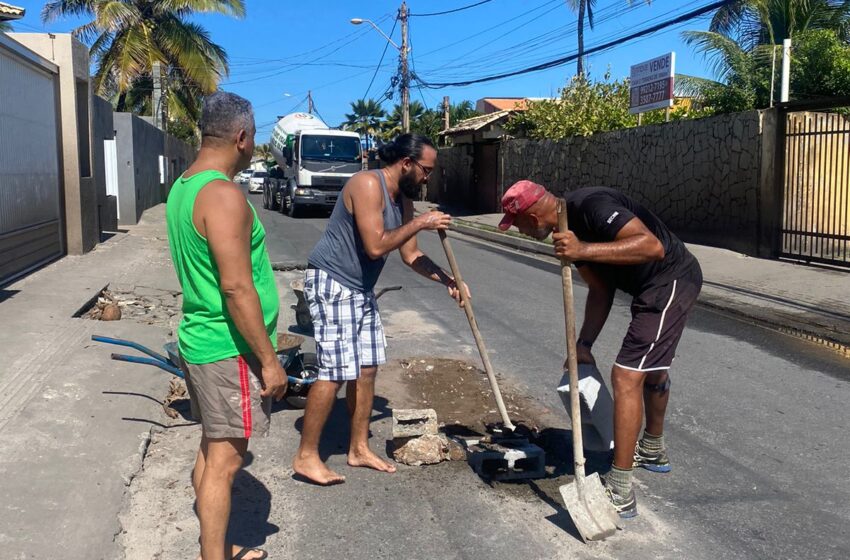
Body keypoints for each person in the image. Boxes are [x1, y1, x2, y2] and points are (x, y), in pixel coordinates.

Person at [498, 180, 702, 519]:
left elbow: (652, 247)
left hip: (671, 279)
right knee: (651, 366)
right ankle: (652, 449)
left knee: (626, 375)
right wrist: (584, 344)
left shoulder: (592, 206)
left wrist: (583, 250)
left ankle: (620, 489)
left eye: (516, 224)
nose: (519, 231)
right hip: (648, 287)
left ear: (532, 218)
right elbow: (601, 288)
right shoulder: (566, 235)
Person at [292, 134, 466, 485]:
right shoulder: (366, 184)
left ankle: (358, 448)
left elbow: (411, 255)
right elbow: (375, 247)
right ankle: (306, 456)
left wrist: (448, 279)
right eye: (425, 170)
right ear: (406, 163)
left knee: (368, 368)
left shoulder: (401, 201)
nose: (427, 178)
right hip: (333, 282)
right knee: (336, 371)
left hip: (360, 289)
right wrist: (421, 222)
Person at [166, 91, 287, 560]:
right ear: (241, 137)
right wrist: (269, 361)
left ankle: (214, 546)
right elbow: (237, 289)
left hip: (202, 341)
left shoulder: (184, 186)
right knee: (225, 461)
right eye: (254, 137)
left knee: (211, 448)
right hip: (227, 348)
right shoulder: (221, 194)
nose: (254, 146)